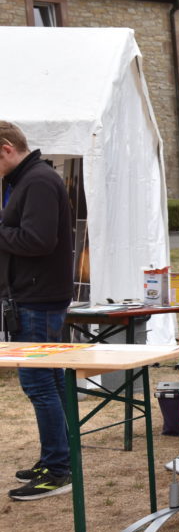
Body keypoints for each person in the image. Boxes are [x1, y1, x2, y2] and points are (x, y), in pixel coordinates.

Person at [1, 122, 74, 500]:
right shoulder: (28, 180)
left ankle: (58, 469)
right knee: (50, 381)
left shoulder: (38, 181)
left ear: (6, 148)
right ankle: (59, 459)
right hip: (35, 296)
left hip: (38, 298)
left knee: (38, 383)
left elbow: (38, 240)